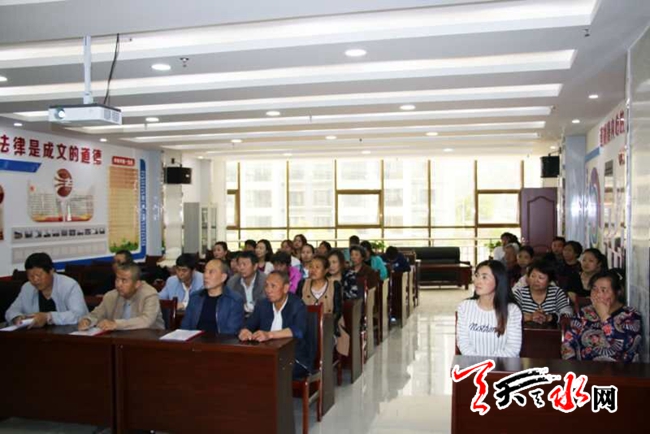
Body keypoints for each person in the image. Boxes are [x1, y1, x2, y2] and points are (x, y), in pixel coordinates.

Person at [238, 271, 313, 379]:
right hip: (267, 355)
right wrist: (244, 331)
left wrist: (269, 335)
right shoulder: (263, 304)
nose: (268, 290)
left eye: (273, 286)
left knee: (267, 370)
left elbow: (298, 331)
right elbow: (248, 324)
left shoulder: (297, 305)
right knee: (242, 365)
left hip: (293, 358)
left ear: (286, 288)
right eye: (266, 285)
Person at [562, 270, 642, 362]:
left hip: (620, 370)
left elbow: (625, 346)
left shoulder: (631, 315)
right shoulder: (585, 312)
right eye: (594, 289)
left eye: (603, 290)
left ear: (618, 292)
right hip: (585, 368)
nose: (597, 294)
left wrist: (604, 317)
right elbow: (568, 342)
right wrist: (571, 366)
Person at [456, 260, 522, 357]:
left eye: (484, 277)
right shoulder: (465, 307)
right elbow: (463, 343)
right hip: (473, 364)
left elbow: (513, 348)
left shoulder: (512, 310)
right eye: (477, 275)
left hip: (503, 365)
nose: (477, 281)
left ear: (499, 280)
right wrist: (480, 363)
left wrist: (489, 363)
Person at [6, 252, 88, 327]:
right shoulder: (27, 288)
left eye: (39, 275)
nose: (35, 280)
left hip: (68, 333)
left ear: (51, 271)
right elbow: (12, 310)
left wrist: (48, 317)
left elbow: (79, 314)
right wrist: (17, 317)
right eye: (31, 276)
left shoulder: (69, 285)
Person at [78, 263, 164, 331]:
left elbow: (146, 321)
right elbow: (97, 314)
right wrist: (87, 321)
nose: (119, 284)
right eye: (117, 279)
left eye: (124, 280)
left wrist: (115, 324)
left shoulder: (149, 294)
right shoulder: (111, 295)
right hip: (120, 340)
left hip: (149, 340)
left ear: (137, 284)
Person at [180, 259, 244, 334]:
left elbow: (231, 332)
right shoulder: (195, 297)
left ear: (223, 277)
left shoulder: (234, 300)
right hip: (195, 340)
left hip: (222, 341)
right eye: (205, 271)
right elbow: (185, 327)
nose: (205, 276)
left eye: (211, 272)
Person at [513, 260, 572, 325]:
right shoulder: (520, 293)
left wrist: (549, 317)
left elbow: (568, 313)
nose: (536, 281)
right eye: (533, 276)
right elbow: (511, 314)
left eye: (541, 278)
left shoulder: (557, 292)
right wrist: (530, 317)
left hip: (552, 330)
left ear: (549, 280)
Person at [296, 255, 342, 329]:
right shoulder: (303, 284)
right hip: (306, 326)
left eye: (317, 267)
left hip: (329, 327)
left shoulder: (334, 285)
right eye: (311, 267)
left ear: (326, 270)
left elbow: (337, 312)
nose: (313, 270)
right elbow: (297, 308)